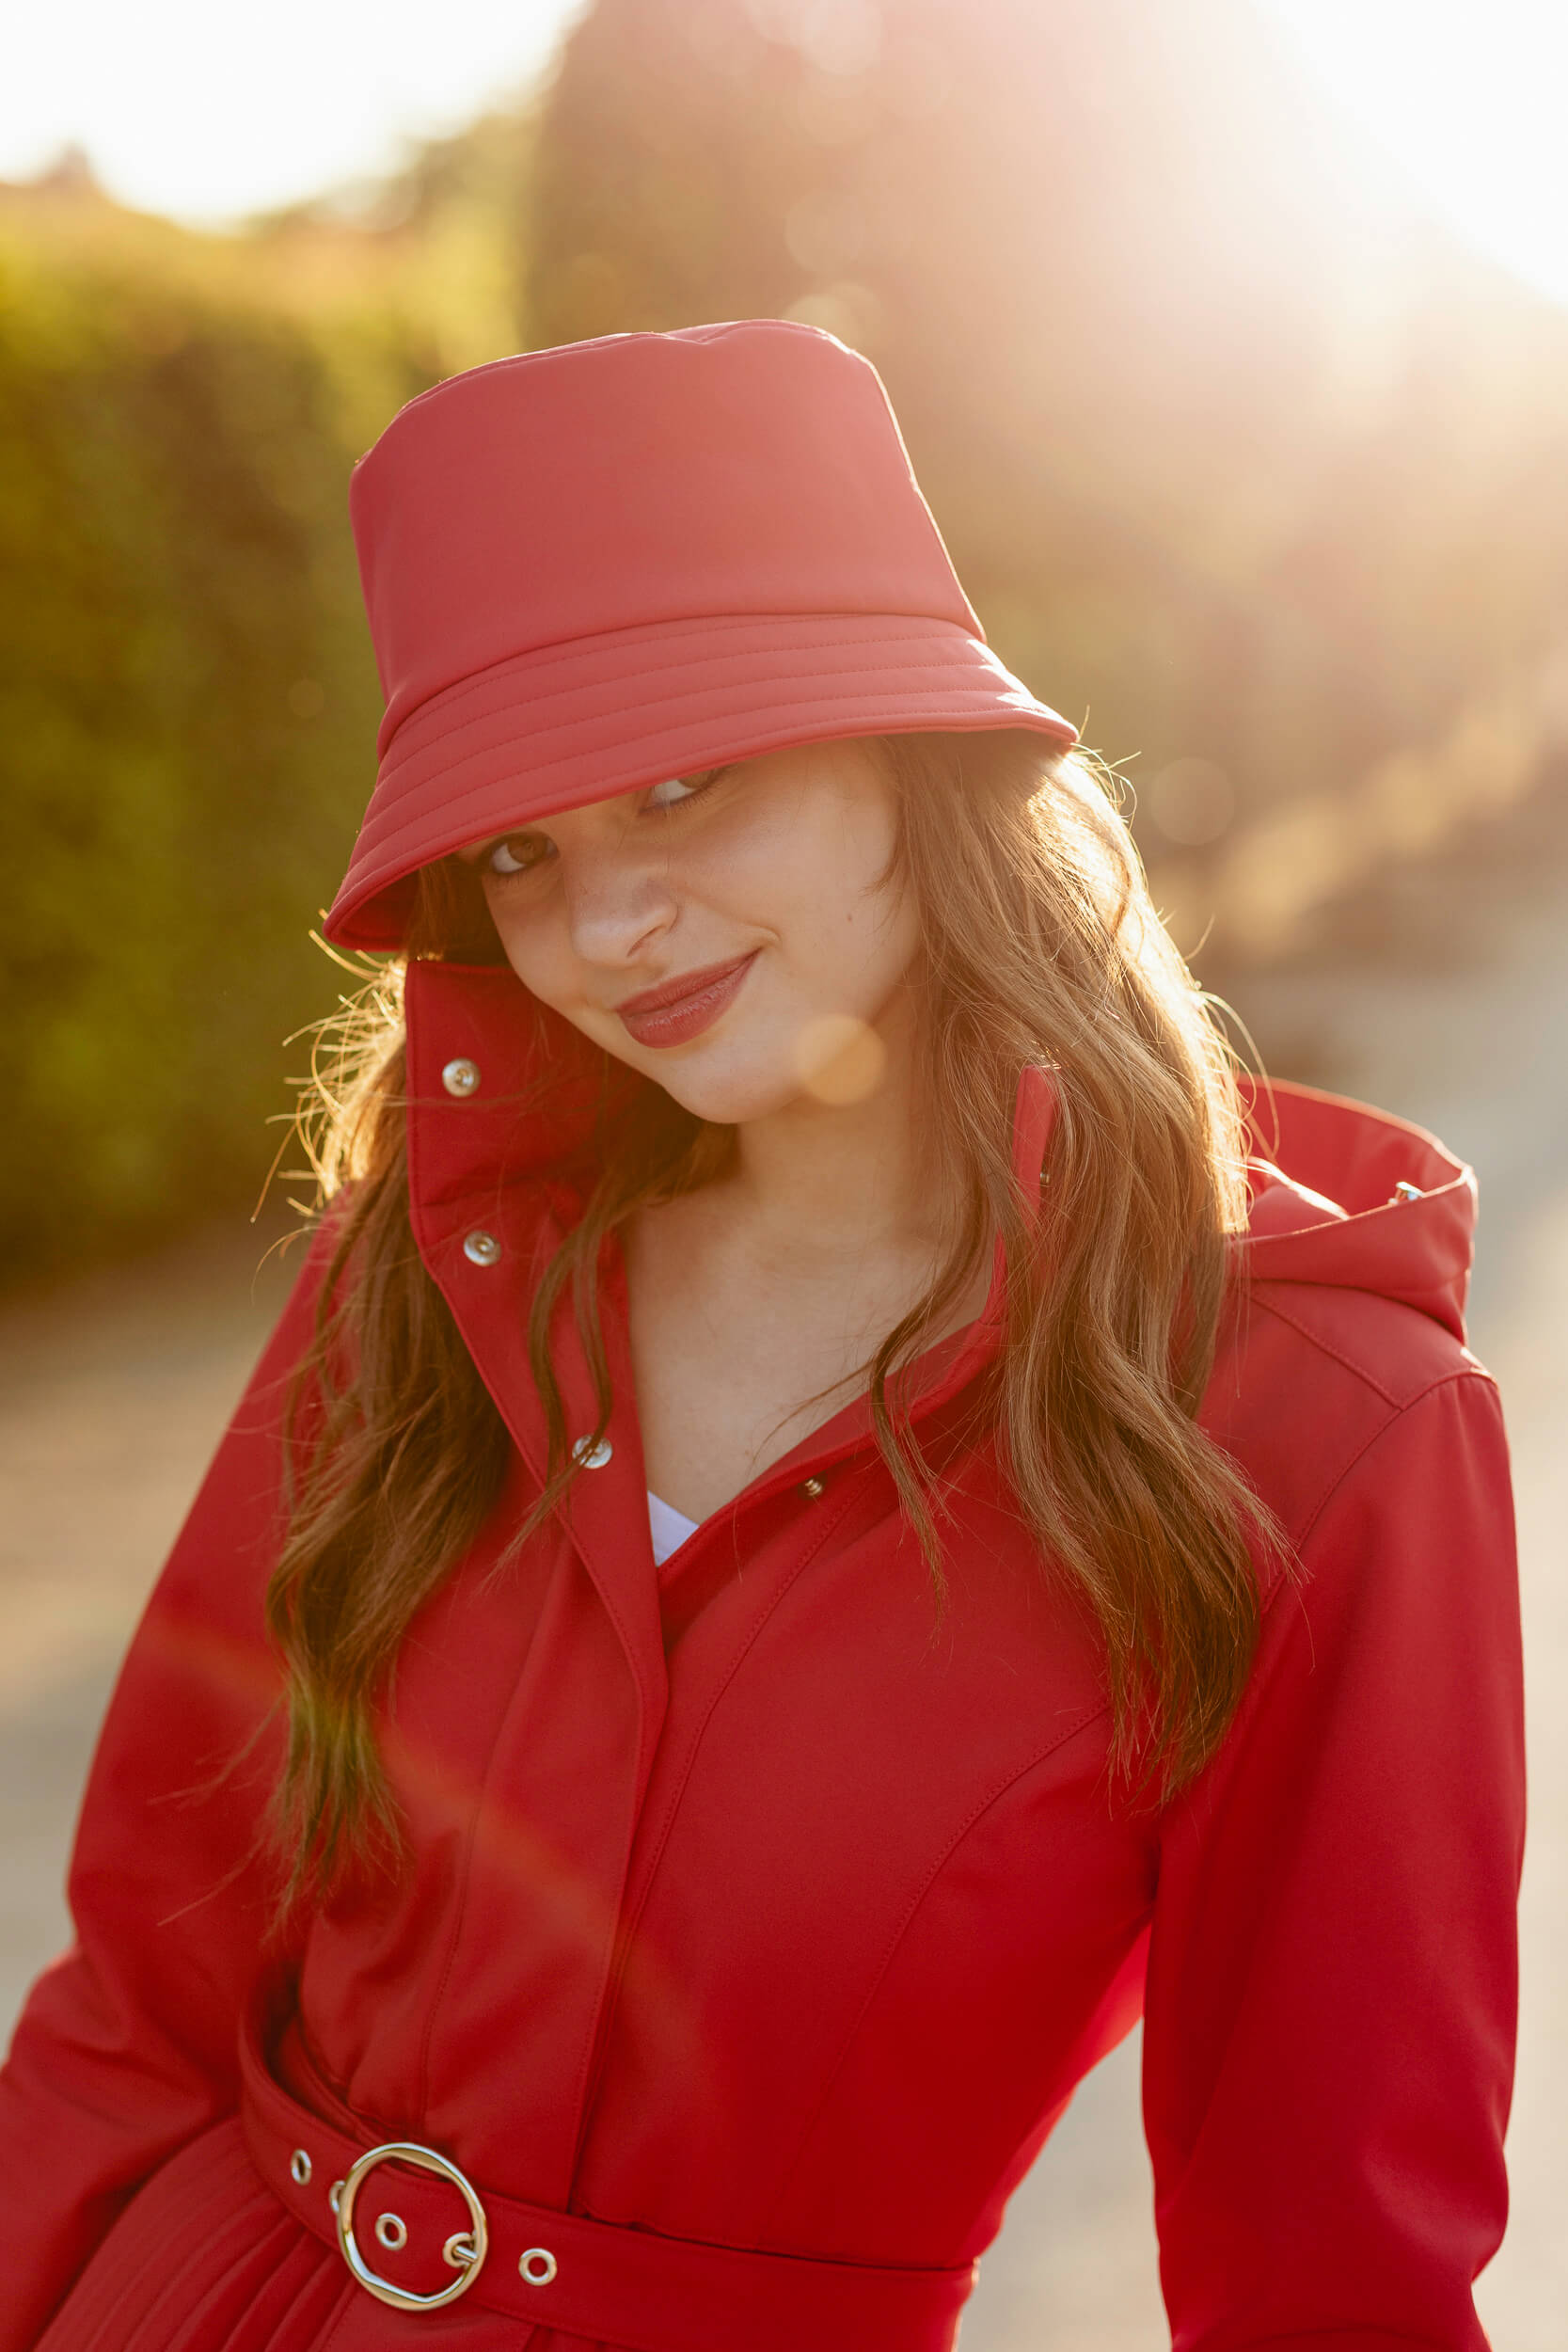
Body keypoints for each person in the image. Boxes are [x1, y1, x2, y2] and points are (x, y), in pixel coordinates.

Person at [0, 320, 1524, 2352]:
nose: (609, 925)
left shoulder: (1315, 1433)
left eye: (682, 782)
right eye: (522, 853)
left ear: (920, 756)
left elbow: (1332, 2268)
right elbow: (136, 2002)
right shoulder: (427, 1279)